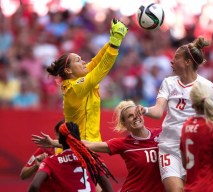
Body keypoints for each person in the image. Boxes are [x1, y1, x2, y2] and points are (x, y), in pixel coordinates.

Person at [45, 18, 128, 191]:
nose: (84, 62)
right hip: (73, 153)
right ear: (68, 71)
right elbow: (100, 71)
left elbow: (96, 62)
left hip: (88, 148)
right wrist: (115, 45)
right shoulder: (74, 88)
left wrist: (112, 39)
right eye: (78, 60)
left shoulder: (79, 80)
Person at [136, 36, 213, 191]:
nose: (171, 61)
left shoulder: (206, 86)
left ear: (188, 62)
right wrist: (144, 110)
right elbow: (158, 111)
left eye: (176, 58)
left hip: (194, 148)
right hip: (169, 147)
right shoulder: (168, 82)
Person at [32, 100, 166, 192]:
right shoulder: (123, 144)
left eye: (137, 114)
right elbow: (88, 145)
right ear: (124, 124)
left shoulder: (162, 134)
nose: (135, 118)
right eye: (130, 116)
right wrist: (54, 143)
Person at [28, 121, 115, 192]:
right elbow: (109, 190)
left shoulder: (50, 161)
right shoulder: (90, 159)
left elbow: (34, 186)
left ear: (59, 141)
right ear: (79, 138)